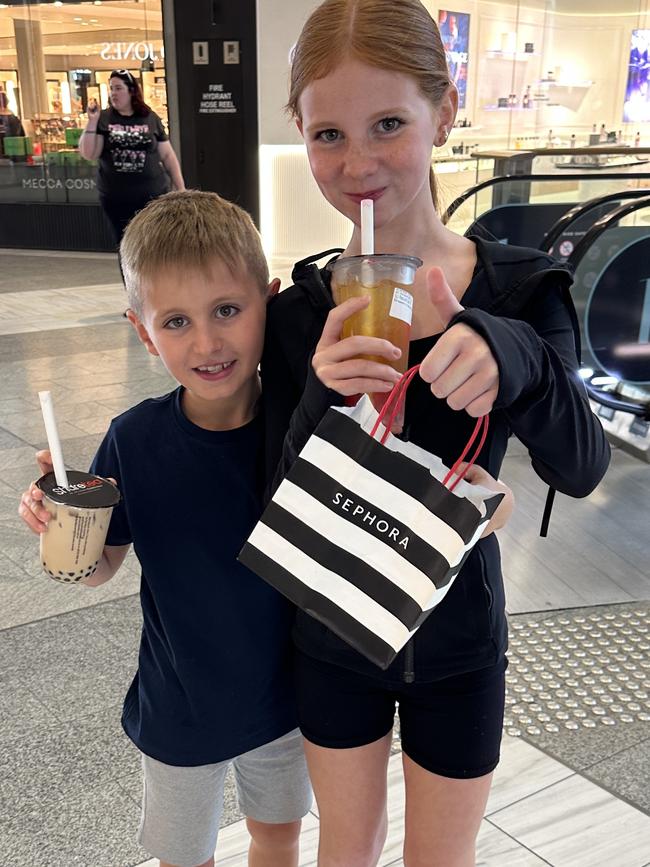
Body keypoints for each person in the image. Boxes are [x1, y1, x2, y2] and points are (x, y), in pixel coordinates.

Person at [261, 1, 611, 865]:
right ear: (298, 132)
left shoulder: (522, 291)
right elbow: (274, 494)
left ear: (444, 114)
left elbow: (582, 464)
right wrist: (318, 391)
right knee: (348, 847)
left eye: (389, 124)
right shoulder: (301, 311)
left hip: (459, 638)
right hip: (332, 630)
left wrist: (512, 353)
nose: (359, 162)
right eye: (328, 134)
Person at [18, 190, 311, 867]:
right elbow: (97, 566)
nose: (207, 342)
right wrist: (62, 525)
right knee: (185, 853)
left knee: (279, 836)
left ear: (267, 301)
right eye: (175, 321)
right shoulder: (133, 439)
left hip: (286, 699)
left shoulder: (297, 424)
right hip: (178, 703)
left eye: (228, 311)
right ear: (143, 330)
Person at [78, 70, 185, 244]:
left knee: (154, 243)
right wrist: (92, 121)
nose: (114, 93)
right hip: (116, 197)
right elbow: (89, 154)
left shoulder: (149, 118)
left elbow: (167, 155)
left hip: (152, 195)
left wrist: (180, 187)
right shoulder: (104, 118)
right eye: (111, 88)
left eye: (119, 88)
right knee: (125, 245)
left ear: (131, 91)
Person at [0, 91, 25, 157]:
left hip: (8, 149)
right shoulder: (12, 115)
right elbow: (20, 133)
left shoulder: (10, 115)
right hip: (16, 148)